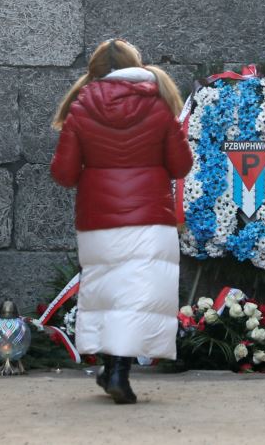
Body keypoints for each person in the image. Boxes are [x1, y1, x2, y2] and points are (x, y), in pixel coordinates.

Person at [49, 38, 192, 404]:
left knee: (108, 295)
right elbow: (181, 166)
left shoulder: (80, 108)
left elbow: (64, 174)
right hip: (149, 217)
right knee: (137, 296)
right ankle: (118, 373)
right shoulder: (159, 105)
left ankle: (110, 369)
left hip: (98, 219)